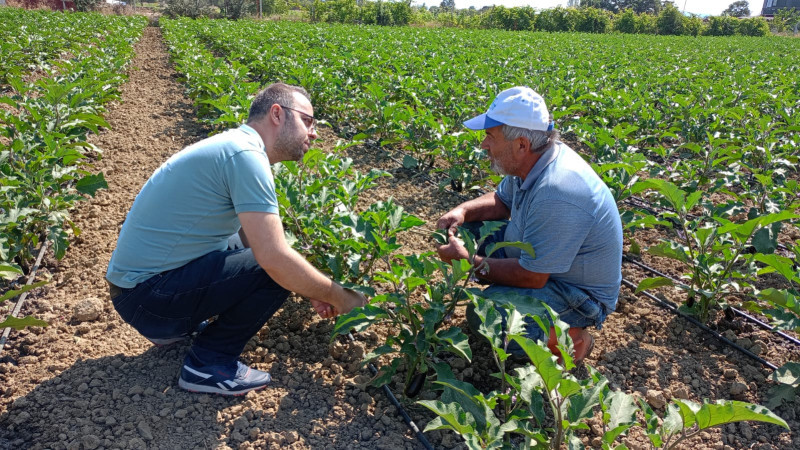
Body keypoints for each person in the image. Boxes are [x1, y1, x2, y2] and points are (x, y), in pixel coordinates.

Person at [106, 83, 367, 395]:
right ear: (277, 114)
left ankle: (175, 328)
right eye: (308, 121)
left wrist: (305, 285)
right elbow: (273, 259)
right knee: (273, 266)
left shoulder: (237, 147)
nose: (314, 134)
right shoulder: (245, 156)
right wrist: (342, 297)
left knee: (266, 258)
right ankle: (207, 365)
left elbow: (247, 239)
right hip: (148, 300)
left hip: (138, 294)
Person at [435, 86, 622, 363]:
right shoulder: (534, 159)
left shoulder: (558, 190)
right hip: (539, 261)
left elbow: (534, 276)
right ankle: (507, 295)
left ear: (521, 144)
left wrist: (469, 262)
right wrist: (462, 211)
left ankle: (572, 340)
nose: (484, 144)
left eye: (490, 136)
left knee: (489, 318)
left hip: (576, 295)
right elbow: (501, 201)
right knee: (463, 233)